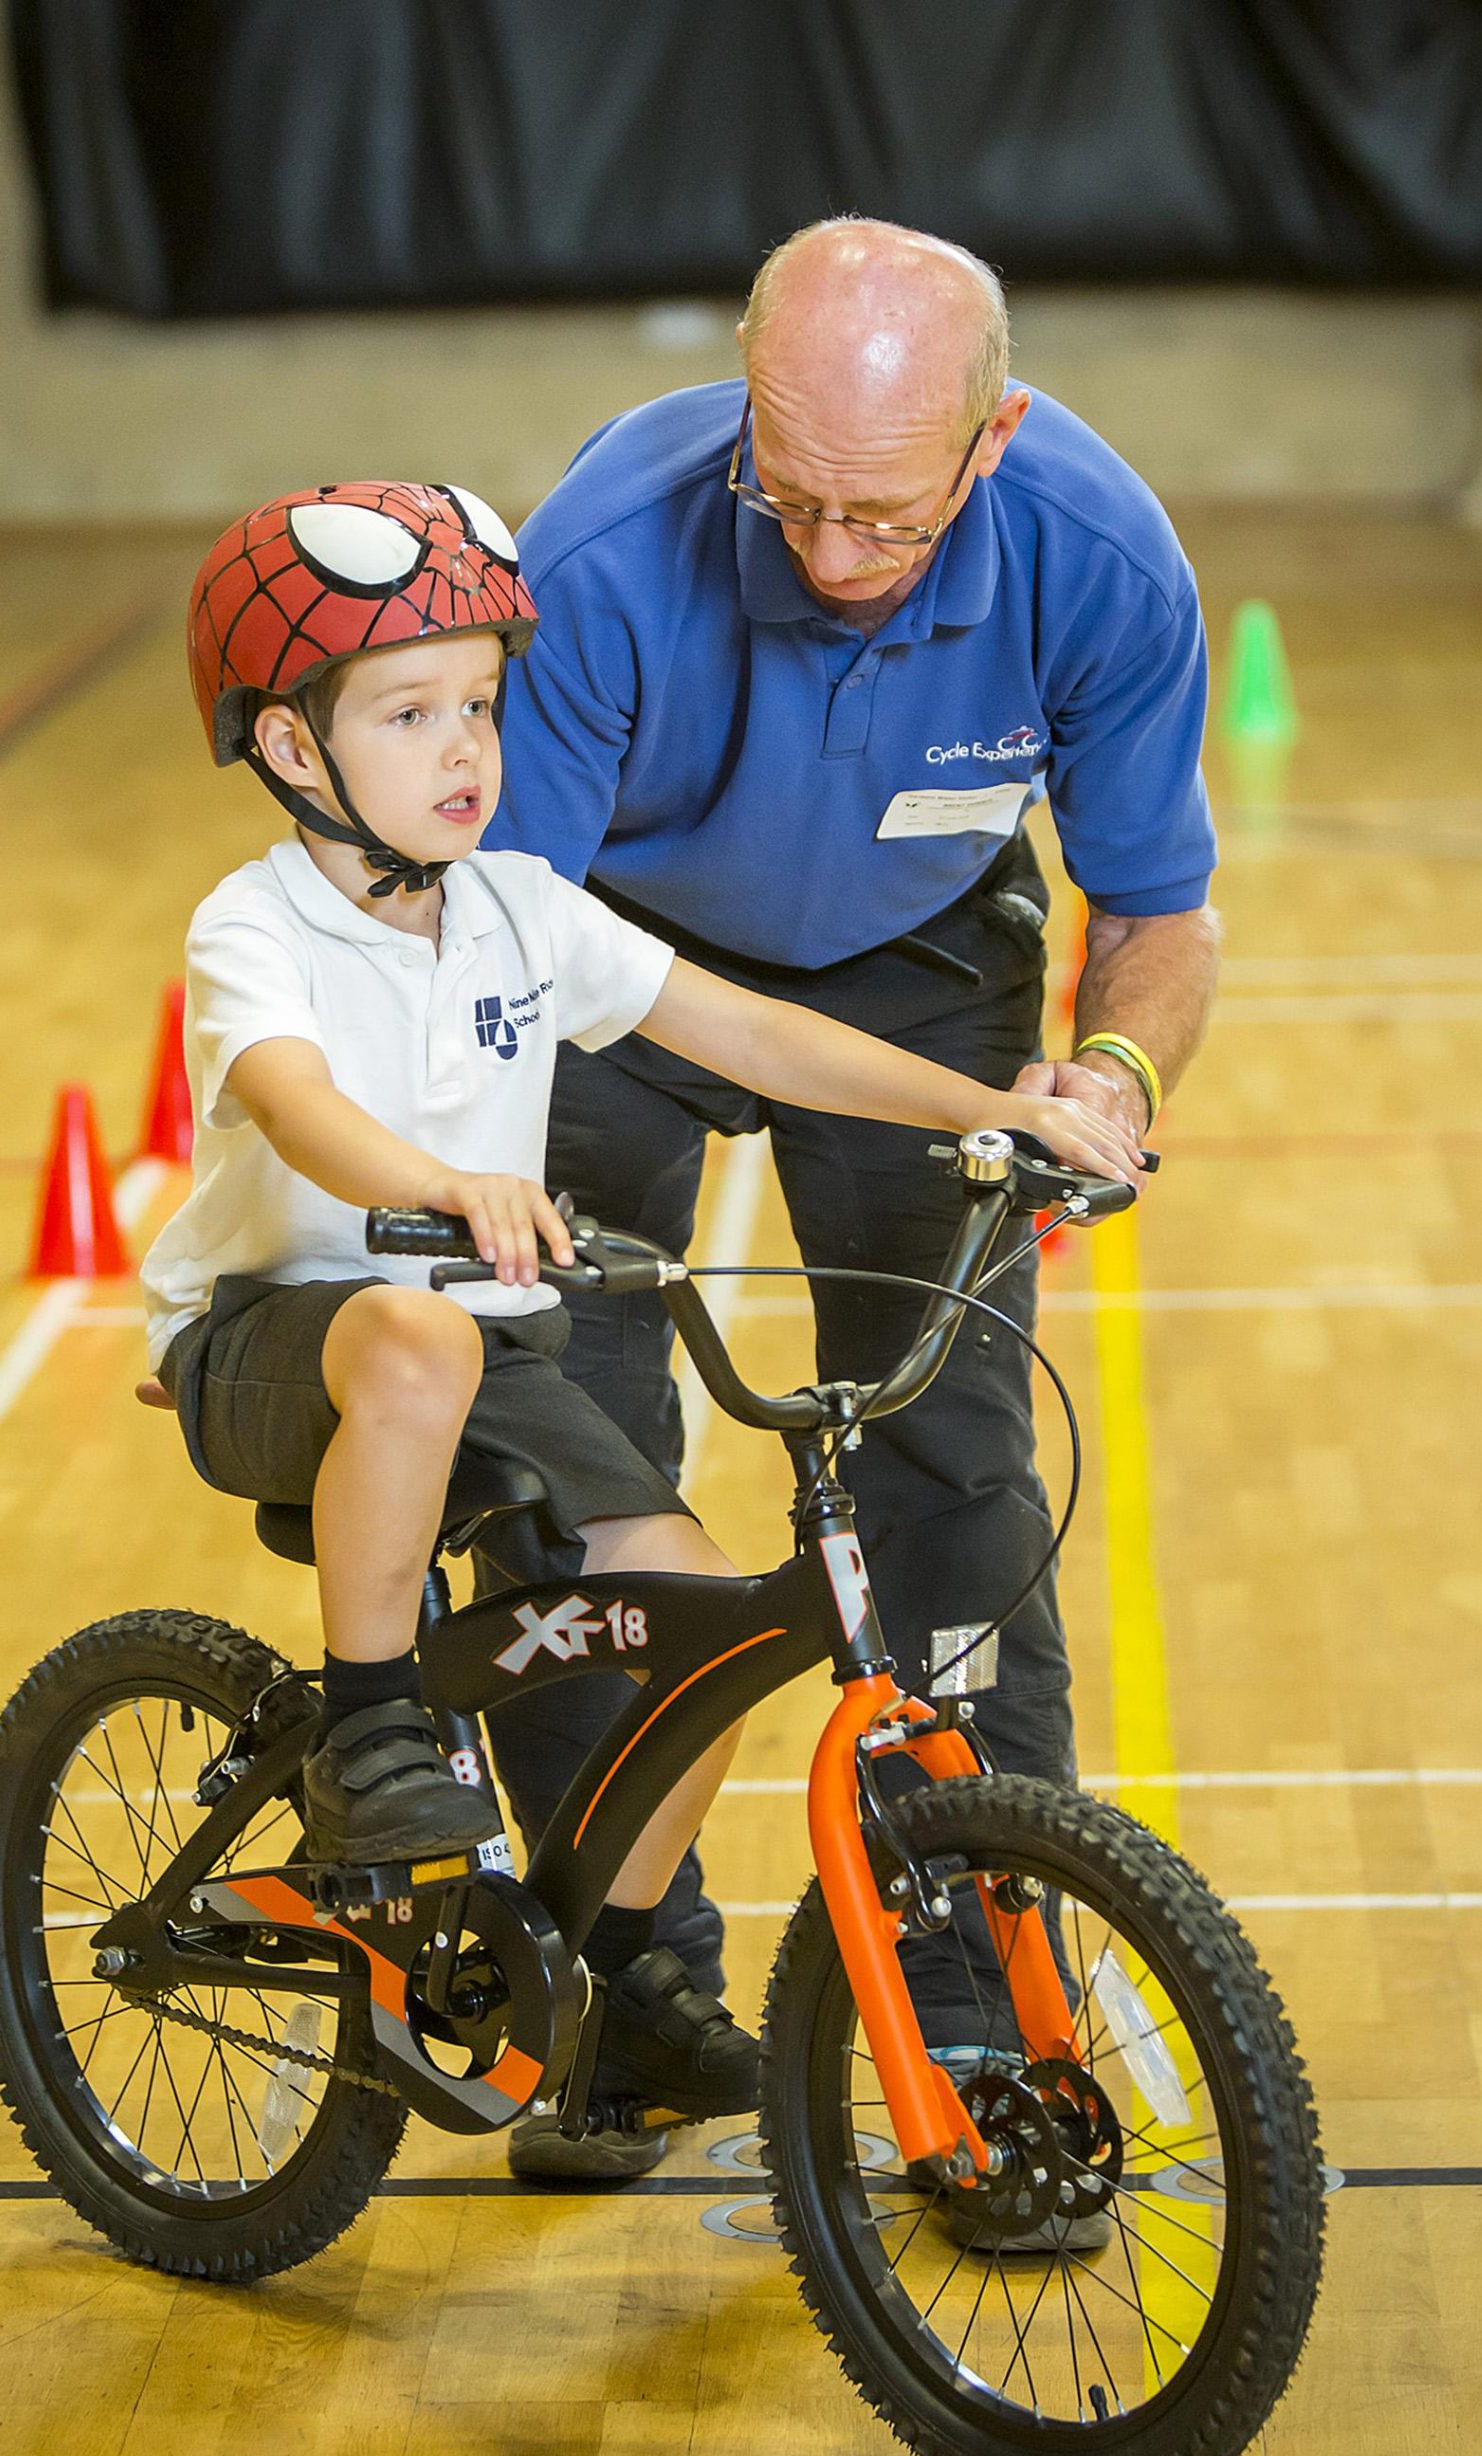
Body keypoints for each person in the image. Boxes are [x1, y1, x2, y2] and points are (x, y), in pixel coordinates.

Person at [140, 479, 1146, 2142]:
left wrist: (995, 1109)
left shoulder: (522, 913)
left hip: (465, 1349)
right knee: (417, 1329)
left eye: (479, 704)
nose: (465, 746)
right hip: (277, 1338)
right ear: (293, 752)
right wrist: (449, 1186)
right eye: (408, 714)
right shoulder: (255, 924)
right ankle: (368, 1723)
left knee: (695, 1610)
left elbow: (751, 1033)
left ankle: (615, 1975)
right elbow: (298, 1103)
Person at [481, 218, 1222, 2182]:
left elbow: (1154, 907)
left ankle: (979, 2015)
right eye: (787, 494)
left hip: (918, 961)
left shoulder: (1100, 555)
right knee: (570, 1463)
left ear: (995, 440)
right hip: (604, 967)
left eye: (881, 515)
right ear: (746, 403)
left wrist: (1112, 1076)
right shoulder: (593, 558)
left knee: (951, 1464)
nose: (825, 555)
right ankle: (615, 1989)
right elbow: (495, 940)